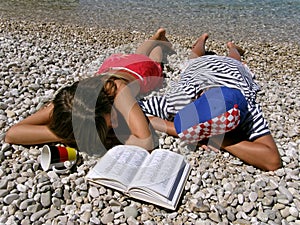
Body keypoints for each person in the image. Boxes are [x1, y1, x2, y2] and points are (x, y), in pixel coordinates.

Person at [4, 28, 174, 155]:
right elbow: (12, 134)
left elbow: (147, 142)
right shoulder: (72, 103)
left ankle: (159, 41)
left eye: (110, 120)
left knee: (154, 60)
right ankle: (155, 37)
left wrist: (95, 137)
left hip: (140, 71)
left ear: (106, 102)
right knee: (139, 54)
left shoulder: (119, 92)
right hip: (112, 65)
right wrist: (69, 134)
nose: (115, 125)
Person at [139, 33, 282, 171]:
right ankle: (203, 39)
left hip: (233, 69)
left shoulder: (247, 107)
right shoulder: (181, 99)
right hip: (201, 68)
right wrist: (206, 135)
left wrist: (218, 139)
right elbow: (138, 112)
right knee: (196, 57)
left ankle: (232, 47)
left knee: (234, 59)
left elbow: (273, 161)